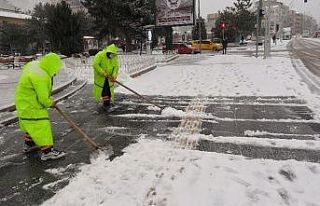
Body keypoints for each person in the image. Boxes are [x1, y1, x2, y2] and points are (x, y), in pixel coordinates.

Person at [15, 53, 66, 161]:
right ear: (51, 66)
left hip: (23, 101)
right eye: (55, 69)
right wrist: (50, 103)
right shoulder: (41, 76)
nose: (55, 72)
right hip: (31, 104)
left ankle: (29, 144)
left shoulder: (36, 65)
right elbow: (43, 99)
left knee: (32, 124)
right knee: (41, 125)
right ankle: (47, 152)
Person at [92, 44, 119, 110]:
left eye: (113, 54)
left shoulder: (114, 57)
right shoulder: (100, 55)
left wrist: (114, 76)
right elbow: (95, 65)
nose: (111, 56)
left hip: (110, 77)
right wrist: (103, 73)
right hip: (100, 77)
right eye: (111, 54)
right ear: (108, 52)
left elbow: (116, 67)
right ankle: (106, 103)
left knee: (109, 90)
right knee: (104, 90)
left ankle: (108, 102)